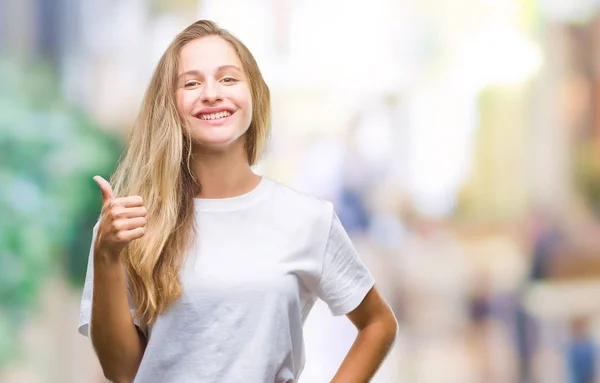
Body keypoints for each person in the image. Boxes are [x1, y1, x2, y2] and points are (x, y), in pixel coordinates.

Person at [78, 19, 397, 383]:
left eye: (228, 78)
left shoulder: (308, 219)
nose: (212, 93)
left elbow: (378, 323)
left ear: (254, 95)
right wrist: (106, 255)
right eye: (191, 82)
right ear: (169, 106)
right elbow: (121, 372)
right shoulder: (130, 224)